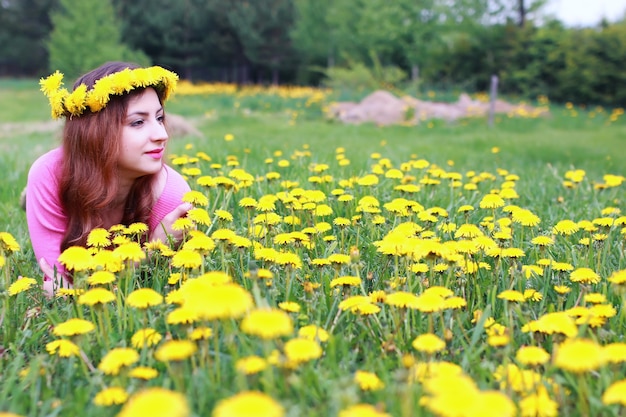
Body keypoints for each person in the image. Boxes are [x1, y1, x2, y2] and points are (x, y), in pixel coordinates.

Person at [27, 61, 192, 296]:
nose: (162, 134)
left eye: (159, 118)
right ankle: (30, 202)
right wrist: (147, 254)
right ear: (95, 132)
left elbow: (162, 290)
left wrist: (153, 252)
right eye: (138, 122)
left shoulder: (173, 197)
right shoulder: (49, 175)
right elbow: (57, 281)